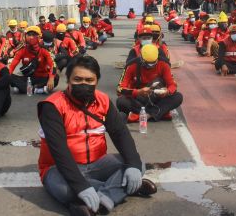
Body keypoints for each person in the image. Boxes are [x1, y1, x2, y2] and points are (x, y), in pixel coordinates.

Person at [38, 56, 157, 216]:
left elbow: (120, 133)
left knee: (136, 164)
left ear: (97, 81)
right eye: (78, 79)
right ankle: (123, 188)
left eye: (89, 80)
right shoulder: (52, 106)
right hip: (58, 168)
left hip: (98, 163)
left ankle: (99, 201)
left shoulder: (103, 101)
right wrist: (80, 186)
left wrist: (134, 165)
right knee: (64, 189)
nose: (83, 84)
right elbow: (59, 151)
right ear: (68, 80)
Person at [117, 44, 183, 122]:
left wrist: (167, 91)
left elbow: (172, 85)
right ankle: (158, 113)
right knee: (121, 101)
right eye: (147, 63)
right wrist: (138, 92)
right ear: (141, 58)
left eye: (153, 63)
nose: (150, 66)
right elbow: (120, 89)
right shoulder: (131, 65)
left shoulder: (164, 64)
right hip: (138, 99)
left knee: (178, 97)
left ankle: (144, 115)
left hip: (156, 97)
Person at [9, 26, 57, 95]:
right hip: (28, 78)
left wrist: (51, 78)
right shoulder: (22, 50)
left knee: (56, 78)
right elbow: (12, 66)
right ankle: (37, 90)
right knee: (9, 77)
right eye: (29, 35)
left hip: (42, 77)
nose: (31, 37)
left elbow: (53, 65)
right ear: (25, 36)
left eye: (34, 35)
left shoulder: (44, 50)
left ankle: (24, 88)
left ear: (39, 37)